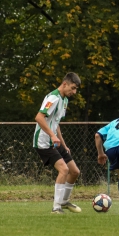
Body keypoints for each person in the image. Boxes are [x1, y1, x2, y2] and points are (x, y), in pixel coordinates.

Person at [33, 72, 82, 214]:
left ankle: (64, 201)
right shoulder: (53, 97)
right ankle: (56, 208)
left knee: (74, 171)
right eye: (72, 88)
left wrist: (62, 143)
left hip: (54, 141)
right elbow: (39, 117)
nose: (74, 92)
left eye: (76, 89)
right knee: (64, 170)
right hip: (43, 142)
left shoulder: (65, 100)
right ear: (65, 84)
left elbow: (56, 123)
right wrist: (52, 136)